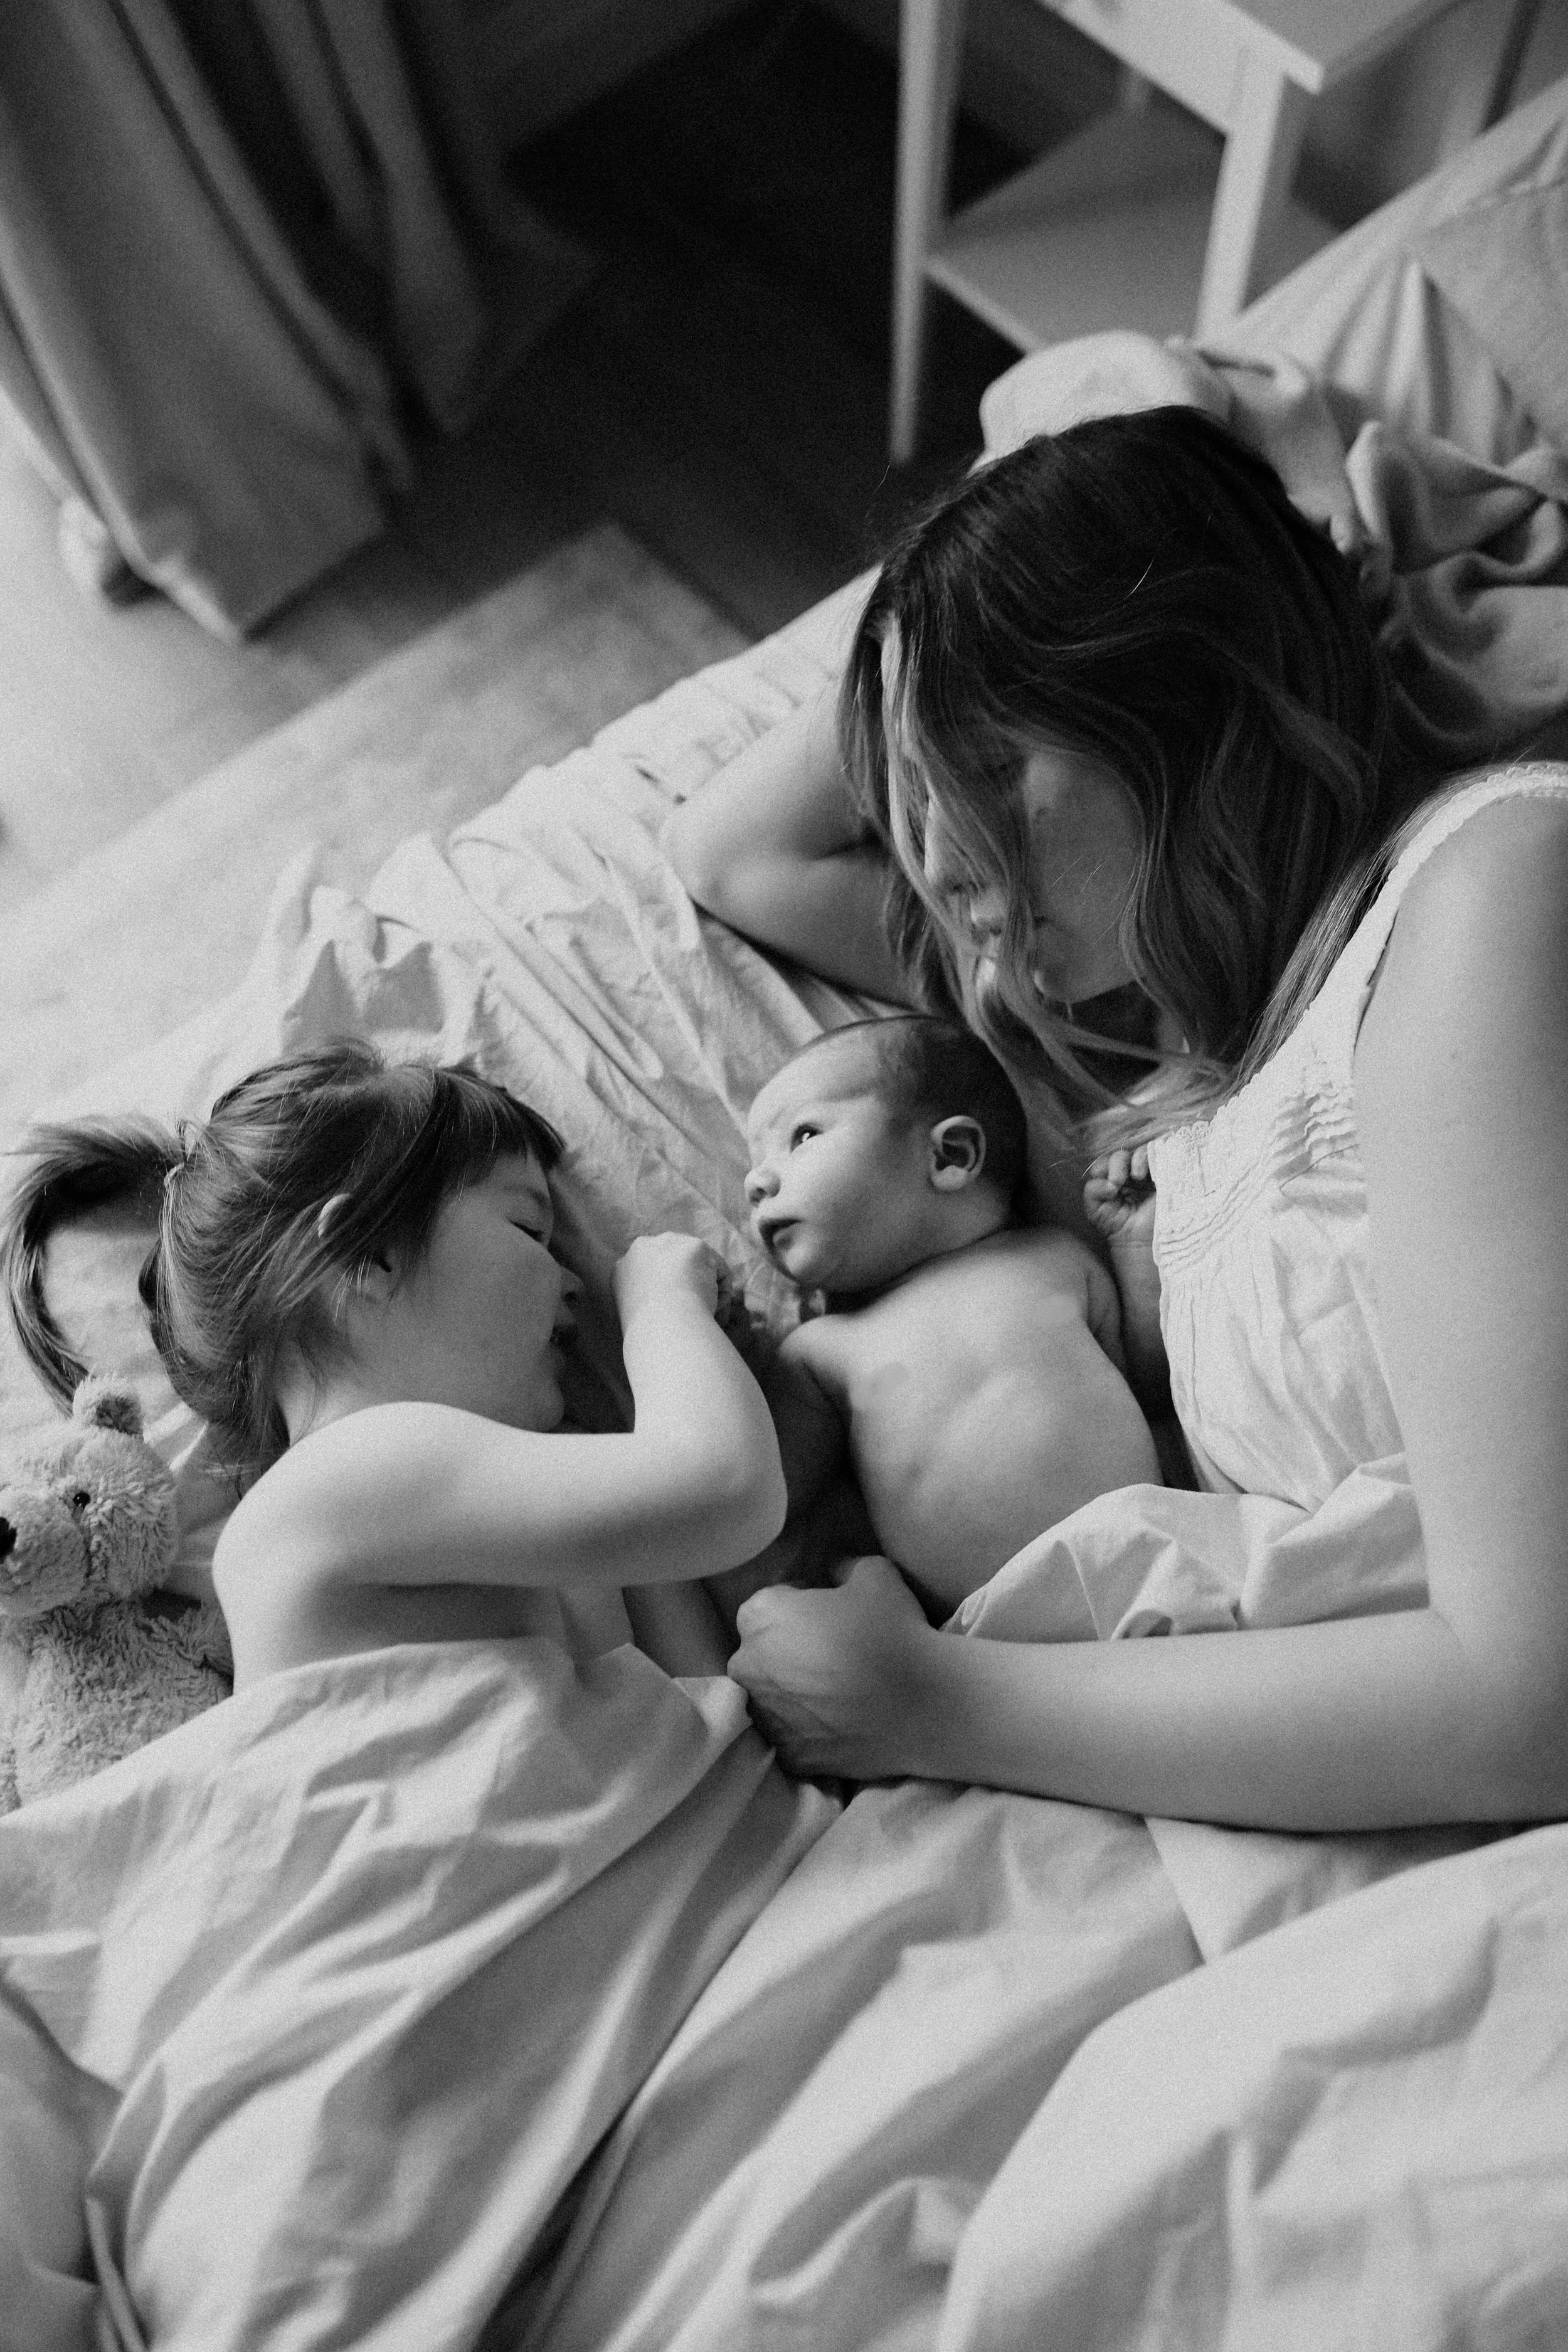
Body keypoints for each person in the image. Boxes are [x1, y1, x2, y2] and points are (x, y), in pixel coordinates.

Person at [666, 403, 1568, 1834]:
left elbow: (1536, 1695)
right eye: (906, 797)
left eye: (982, 769)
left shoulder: (1487, 898)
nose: (940, 858)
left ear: (1189, 687)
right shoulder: (1161, 1072)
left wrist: (942, 1706)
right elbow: (734, 848)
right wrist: (942, 607)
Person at [3, 1042, 787, 1688]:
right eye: (530, 1228)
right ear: (366, 1255)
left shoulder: (528, 1480)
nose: (576, 1277)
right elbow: (726, 1492)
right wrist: (658, 1306)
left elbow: (714, 1725)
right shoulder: (329, 1488)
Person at [727, 1012, 1160, 1622]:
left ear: (951, 1154)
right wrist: (735, 1365)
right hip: (994, 1636)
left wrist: (1135, 1250)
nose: (757, 1181)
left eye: (801, 1137)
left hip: (1150, 1561)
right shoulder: (821, 1349)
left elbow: (1149, 1384)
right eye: (755, 1164)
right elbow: (767, 1498)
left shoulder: (1055, 1258)